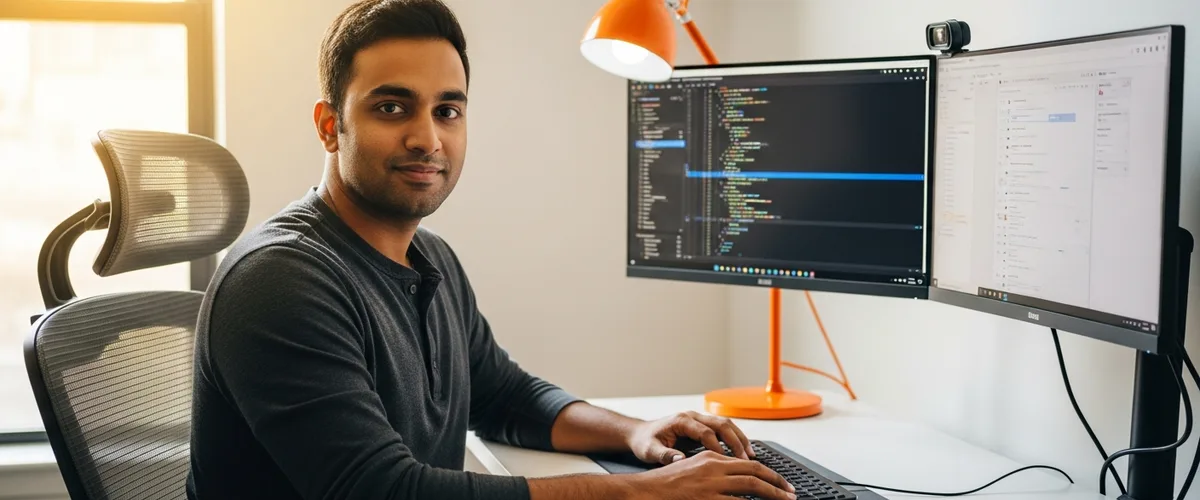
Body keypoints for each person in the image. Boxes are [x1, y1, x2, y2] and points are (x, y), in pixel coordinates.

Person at [185, 1, 798, 499]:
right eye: (391, 107)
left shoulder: (433, 261)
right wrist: (644, 493)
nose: (427, 138)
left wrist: (636, 433)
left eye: (447, 110)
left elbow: (505, 397)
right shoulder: (281, 279)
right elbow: (380, 490)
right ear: (328, 124)